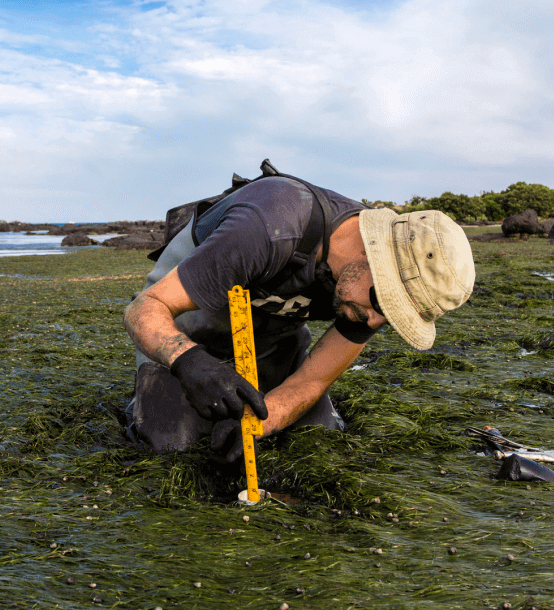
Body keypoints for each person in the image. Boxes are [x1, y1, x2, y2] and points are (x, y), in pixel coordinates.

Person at [123, 166, 475, 460]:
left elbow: (313, 380)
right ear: (373, 256)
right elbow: (144, 309)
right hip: (184, 331)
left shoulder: (367, 302)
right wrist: (189, 362)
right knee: (174, 446)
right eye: (386, 305)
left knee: (318, 439)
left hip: (272, 344)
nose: (375, 322)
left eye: (395, 319)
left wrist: (261, 424)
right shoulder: (270, 226)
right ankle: (142, 401)